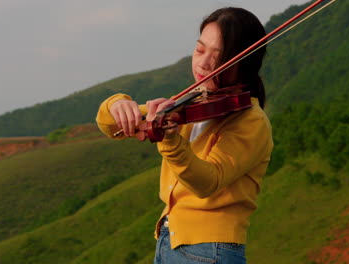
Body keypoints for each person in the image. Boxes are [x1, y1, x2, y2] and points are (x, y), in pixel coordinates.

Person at [96, 7, 273, 264]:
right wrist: (116, 103)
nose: (203, 63)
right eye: (200, 50)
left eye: (219, 57)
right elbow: (110, 125)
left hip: (210, 250)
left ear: (243, 63)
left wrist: (170, 140)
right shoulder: (190, 103)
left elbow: (208, 181)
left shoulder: (251, 121)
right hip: (172, 242)